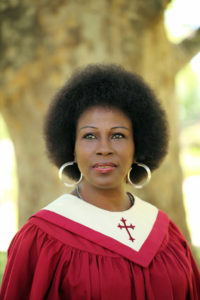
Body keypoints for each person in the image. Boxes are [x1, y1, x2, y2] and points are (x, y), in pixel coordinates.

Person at [0, 64, 199, 300]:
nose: (104, 149)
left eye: (118, 135)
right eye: (89, 136)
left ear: (138, 148)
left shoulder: (166, 233)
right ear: (71, 149)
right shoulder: (40, 238)